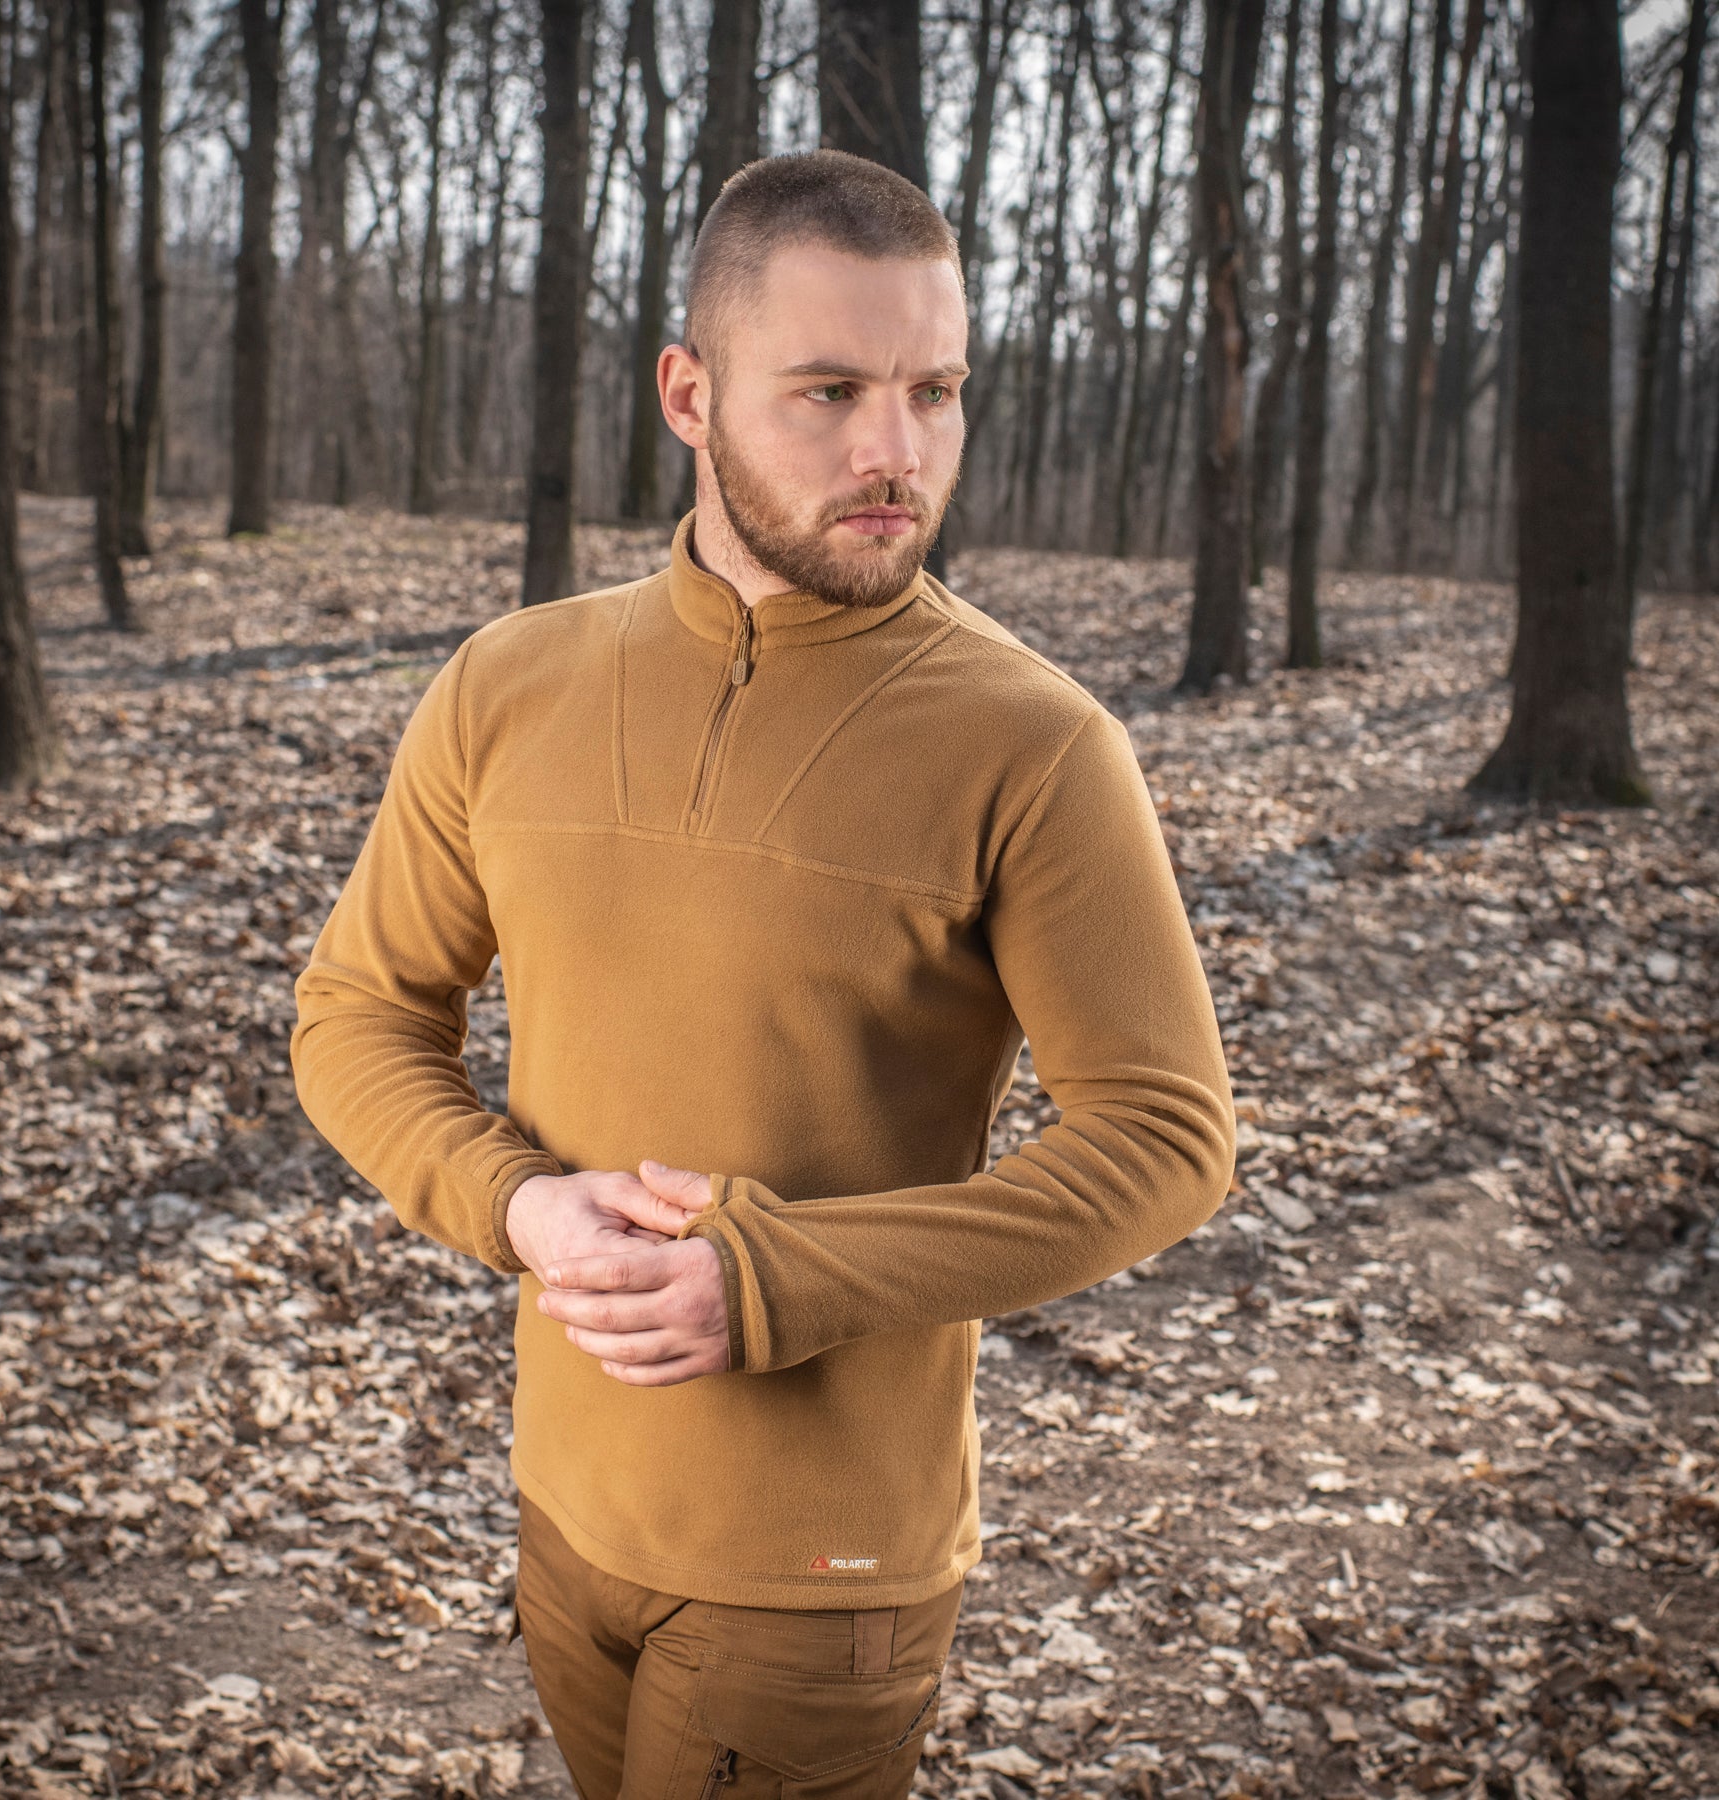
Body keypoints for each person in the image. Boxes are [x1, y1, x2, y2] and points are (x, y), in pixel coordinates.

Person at [291, 148, 1234, 1799]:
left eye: (936, 391)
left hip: (820, 1576)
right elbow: (359, 1014)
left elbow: (1165, 1141)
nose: (897, 452)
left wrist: (777, 1279)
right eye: (830, 391)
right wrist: (517, 1204)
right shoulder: (509, 684)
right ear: (689, 394)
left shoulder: (1037, 744)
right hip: (563, 1508)